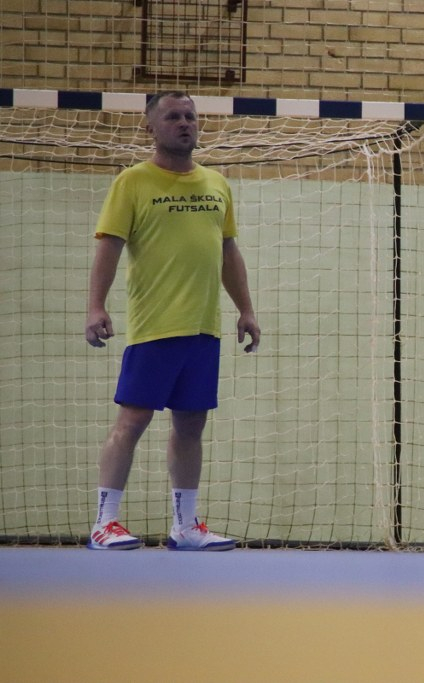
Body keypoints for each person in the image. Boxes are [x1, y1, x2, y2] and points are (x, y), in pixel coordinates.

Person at [84, 90, 260, 551]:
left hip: (204, 329)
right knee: (133, 420)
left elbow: (227, 251)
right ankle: (104, 523)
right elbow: (108, 247)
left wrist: (246, 309)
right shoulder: (132, 182)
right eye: (173, 117)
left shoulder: (217, 184)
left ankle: (185, 526)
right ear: (150, 127)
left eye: (190, 116)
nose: (184, 123)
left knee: (190, 426)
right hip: (155, 327)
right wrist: (96, 306)